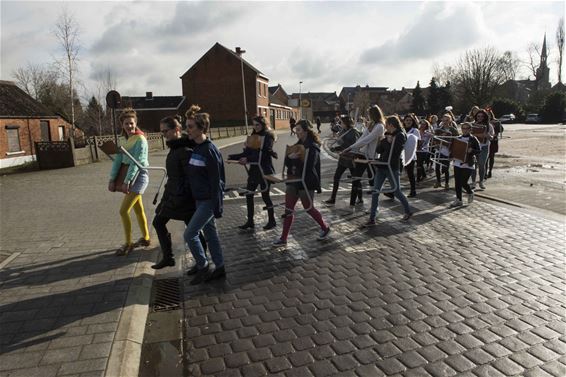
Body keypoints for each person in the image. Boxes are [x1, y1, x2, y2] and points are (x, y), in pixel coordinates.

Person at [151, 116, 207, 269]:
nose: (163, 134)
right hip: (173, 195)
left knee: (191, 230)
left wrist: (179, 196)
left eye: (166, 131)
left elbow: (190, 177)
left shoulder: (184, 149)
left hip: (182, 198)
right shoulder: (176, 147)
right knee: (189, 229)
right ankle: (171, 258)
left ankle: (201, 261)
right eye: (161, 131)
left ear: (176, 130)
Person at [183, 105, 226, 285]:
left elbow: (218, 181)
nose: (188, 129)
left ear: (201, 128)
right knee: (210, 235)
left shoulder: (209, 150)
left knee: (189, 234)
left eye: (191, 126)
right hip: (200, 200)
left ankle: (203, 266)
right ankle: (220, 267)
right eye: (187, 126)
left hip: (208, 201)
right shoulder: (197, 148)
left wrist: (217, 206)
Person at [273, 120, 330, 246]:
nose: (296, 132)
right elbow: (288, 163)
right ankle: (283, 238)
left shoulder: (313, 146)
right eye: (296, 130)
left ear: (306, 131)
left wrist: (297, 158)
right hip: (293, 181)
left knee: (308, 208)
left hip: (307, 181)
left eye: (298, 130)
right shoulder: (297, 145)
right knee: (288, 209)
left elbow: (310, 166)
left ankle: (325, 228)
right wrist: (289, 158)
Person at [108, 108, 151, 256]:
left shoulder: (141, 140)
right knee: (138, 209)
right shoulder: (122, 140)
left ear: (136, 123)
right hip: (128, 174)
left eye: (131, 123)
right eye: (126, 124)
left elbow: (137, 162)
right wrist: (112, 179)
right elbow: (118, 160)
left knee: (123, 210)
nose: (129, 126)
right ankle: (146, 238)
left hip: (139, 176)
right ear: (122, 125)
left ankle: (128, 243)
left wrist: (128, 181)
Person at [230, 116, 277, 230]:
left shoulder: (268, 135)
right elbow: (247, 153)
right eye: (254, 125)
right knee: (249, 194)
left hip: (264, 170)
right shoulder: (253, 136)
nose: (255, 127)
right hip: (254, 171)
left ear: (263, 124)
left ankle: (272, 221)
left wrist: (248, 159)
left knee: (265, 195)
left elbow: (264, 154)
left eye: (257, 125)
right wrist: (233, 157)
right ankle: (250, 221)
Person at [364, 115, 413, 227]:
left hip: (392, 167)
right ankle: (372, 218)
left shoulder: (400, 135)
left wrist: (388, 142)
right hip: (382, 165)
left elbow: (395, 151)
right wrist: (385, 140)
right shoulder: (388, 135)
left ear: (391, 125)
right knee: (375, 191)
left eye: (386, 125)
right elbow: (379, 149)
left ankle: (408, 210)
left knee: (396, 191)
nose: (385, 127)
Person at [342, 105, 386, 193]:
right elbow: (362, 137)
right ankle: (354, 202)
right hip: (363, 154)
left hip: (372, 156)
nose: (368, 116)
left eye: (369, 114)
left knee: (372, 179)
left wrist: (350, 148)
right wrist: (351, 148)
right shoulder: (371, 124)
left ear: (373, 114)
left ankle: (377, 196)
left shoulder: (380, 126)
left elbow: (367, 139)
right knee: (356, 177)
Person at [324, 116, 361, 206]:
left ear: (346, 123)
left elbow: (354, 145)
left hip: (351, 158)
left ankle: (360, 198)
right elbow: (343, 144)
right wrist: (335, 148)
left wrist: (340, 143)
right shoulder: (343, 131)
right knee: (336, 177)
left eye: (342, 122)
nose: (340, 124)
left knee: (356, 180)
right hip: (343, 158)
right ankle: (333, 198)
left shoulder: (354, 132)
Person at [450, 122, 481, 207]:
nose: (465, 130)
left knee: (463, 182)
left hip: (468, 163)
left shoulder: (473, 139)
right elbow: (452, 149)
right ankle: (459, 199)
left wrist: (472, 150)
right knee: (457, 182)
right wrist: (452, 155)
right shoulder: (458, 138)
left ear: (470, 129)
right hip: (457, 163)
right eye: (463, 128)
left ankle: (470, 192)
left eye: (467, 128)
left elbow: (479, 150)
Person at [470, 109, 495, 190]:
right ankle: (473, 182)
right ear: (476, 117)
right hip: (474, 147)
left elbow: (492, 137)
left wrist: (486, 135)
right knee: (473, 165)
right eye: (478, 116)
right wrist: (477, 135)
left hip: (484, 147)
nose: (480, 117)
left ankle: (481, 182)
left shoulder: (489, 125)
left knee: (481, 165)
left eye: (482, 116)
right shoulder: (472, 124)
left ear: (485, 117)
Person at [433, 113, 459, 190]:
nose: (445, 122)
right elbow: (435, 138)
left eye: (447, 120)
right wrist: (435, 143)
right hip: (439, 150)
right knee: (437, 167)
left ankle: (447, 183)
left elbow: (457, 139)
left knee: (445, 168)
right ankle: (438, 181)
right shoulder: (438, 129)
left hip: (448, 151)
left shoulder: (453, 130)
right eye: (443, 120)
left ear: (450, 121)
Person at [402, 113, 421, 197]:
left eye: (410, 120)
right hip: (401, 155)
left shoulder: (415, 130)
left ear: (412, 121)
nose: (408, 121)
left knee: (410, 173)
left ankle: (413, 190)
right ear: (404, 121)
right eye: (407, 120)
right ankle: (393, 191)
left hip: (411, 155)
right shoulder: (402, 130)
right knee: (396, 173)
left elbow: (419, 142)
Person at [486, 109, 503, 179]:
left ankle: (490, 171)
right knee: (486, 157)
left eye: (489, 114)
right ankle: (485, 172)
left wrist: (497, 124)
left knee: (491, 156)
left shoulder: (496, 122)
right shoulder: (483, 122)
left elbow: (501, 129)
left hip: (493, 141)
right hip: (485, 141)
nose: (488, 115)